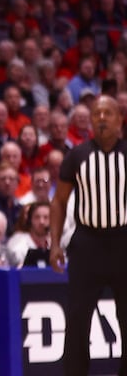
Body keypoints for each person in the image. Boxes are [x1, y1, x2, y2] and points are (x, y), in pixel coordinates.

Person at [50, 93, 127, 376]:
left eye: (108, 113)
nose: (102, 118)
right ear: (91, 121)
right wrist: (55, 243)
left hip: (123, 242)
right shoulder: (77, 155)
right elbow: (58, 201)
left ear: (120, 120)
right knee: (78, 318)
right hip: (87, 244)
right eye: (97, 114)